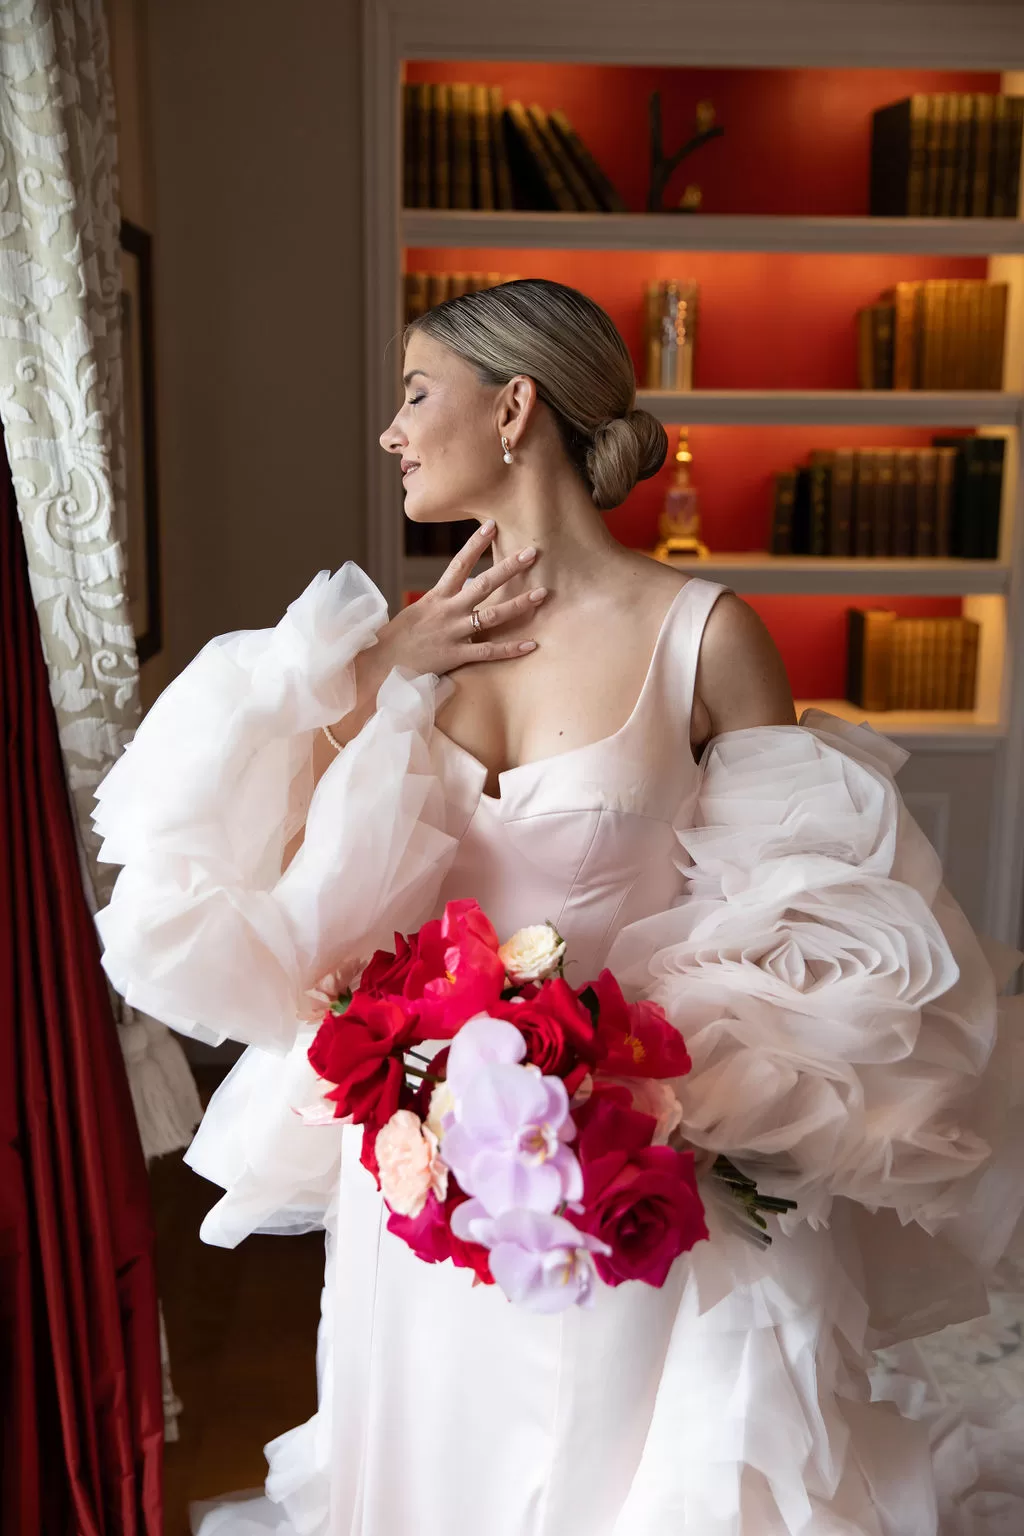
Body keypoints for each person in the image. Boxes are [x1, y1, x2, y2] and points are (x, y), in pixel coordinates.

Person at [92, 279, 1023, 1535]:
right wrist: (385, 673)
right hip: (418, 1176)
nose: (393, 429)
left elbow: (804, 933)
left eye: (417, 392)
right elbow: (279, 891)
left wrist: (611, 1092)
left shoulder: (705, 636)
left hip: (625, 1170)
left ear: (515, 407)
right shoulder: (407, 643)